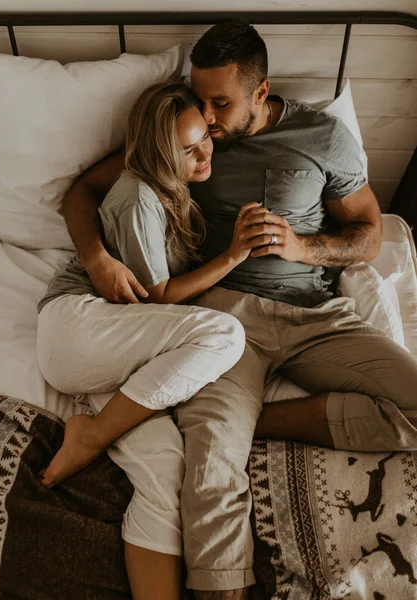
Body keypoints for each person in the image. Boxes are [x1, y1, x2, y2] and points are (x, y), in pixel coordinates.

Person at [58, 21, 417, 600]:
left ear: (261, 91)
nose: (208, 117)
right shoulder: (187, 134)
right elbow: (82, 191)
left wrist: (306, 248)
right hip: (222, 320)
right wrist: (97, 257)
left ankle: (262, 422)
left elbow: (370, 233)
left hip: (314, 315)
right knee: (211, 471)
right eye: (201, 99)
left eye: (221, 103)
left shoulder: (322, 137)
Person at [35, 80, 275, 600]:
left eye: (205, 137)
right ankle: (93, 435)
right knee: (223, 334)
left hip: (104, 353)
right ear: (155, 152)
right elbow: (161, 298)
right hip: (81, 325)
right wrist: (234, 255)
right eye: (186, 150)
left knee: (166, 470)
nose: (203, 152)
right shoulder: (137, 195)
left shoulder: (169, 180)